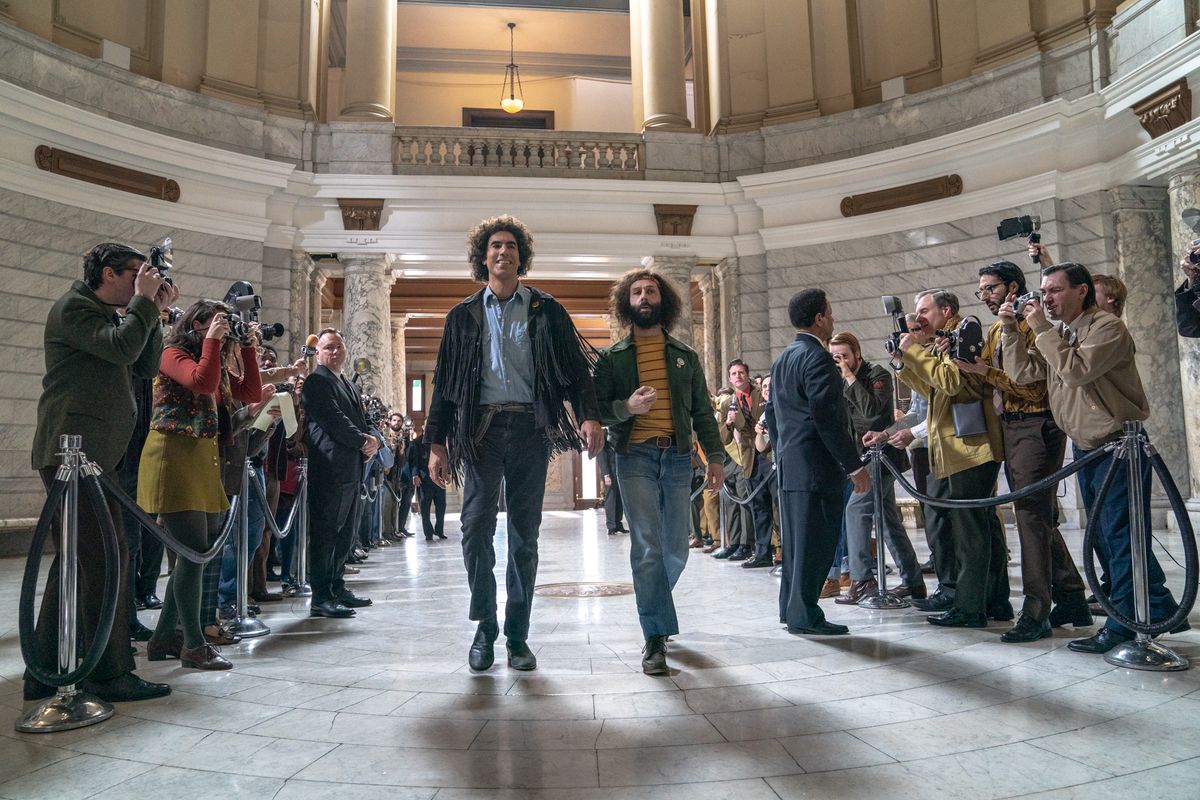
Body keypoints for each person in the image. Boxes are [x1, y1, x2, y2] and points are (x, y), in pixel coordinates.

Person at [425, 215, 602, 672]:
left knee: (525, 536)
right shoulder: (462, 316)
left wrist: (588, 415)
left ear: (521, 256)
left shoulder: (548, 310)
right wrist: (436, 442)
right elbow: (444, 386)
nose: (502, 252)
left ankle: (517, 636)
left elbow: (575, 373)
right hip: (479, 433)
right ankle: (485, 627)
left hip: (530, 430)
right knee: (474, 529)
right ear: (482, 257)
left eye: (510, 246)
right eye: (494, 246)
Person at [1000, 262, 1182, 654]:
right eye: (1043, 292)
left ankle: (1123, 627)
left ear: (1081, 291)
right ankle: (1159, 605)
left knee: (1118, 538)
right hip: (1087, 448)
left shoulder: (1107, 327)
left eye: (1054, 291)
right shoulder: (1061, 332)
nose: (1045, 299)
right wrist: (1014, 331)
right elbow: (1022, 373)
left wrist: (1042, 330)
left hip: (1118, 446)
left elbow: (1077, 371)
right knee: (1105, 536)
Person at [27, 242, 175, 702]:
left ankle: (44, 670)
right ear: (109, 274)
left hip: (96, 458)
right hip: (74, 457)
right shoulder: (75, 308)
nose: (142, 281)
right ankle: (108, 674)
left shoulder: (112, 313)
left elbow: (145, 364)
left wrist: (152, 312)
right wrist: (143, 306)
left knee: (78, 563)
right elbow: (119, 348)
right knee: (106, 561)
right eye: (136, 274)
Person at [592, 269, 723, 674]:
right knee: (647, 546)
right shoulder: (612, 358)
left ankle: (656, 609)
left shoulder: (684, 355)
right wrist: (626, 409)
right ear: (626, 303)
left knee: (676, 549)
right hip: (635, 458)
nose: (644, 297)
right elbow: (597, 411)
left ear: (662, 300)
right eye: (636, 292)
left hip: (679, 457)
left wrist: (715, 455)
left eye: (650, 291)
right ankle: (655, 637)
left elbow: (702, 410)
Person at [955, 259, 1091, 642]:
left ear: (1013, 287)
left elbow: (1035, 388)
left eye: (992, 288)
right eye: (980, 289)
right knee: (1037, 516)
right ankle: (1072, 597)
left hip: (1037, 424)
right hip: (1012, 427)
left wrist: (985, 373)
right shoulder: (998, 328)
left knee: (1030, 517)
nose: (985, 295)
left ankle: (1035, 611)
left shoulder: (1033, 325)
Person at [869, 289, 1008, 628]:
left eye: (924, 310)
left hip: (970, 448)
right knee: (979, 529)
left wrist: (915, 349)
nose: (918, 318)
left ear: (945, 311)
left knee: (971, 533)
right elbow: (930, 390)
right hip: (957, 448)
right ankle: (994, 602)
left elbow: (950, 382)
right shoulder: (946, 338)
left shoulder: (965, 331)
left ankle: (971, 607)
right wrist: (904, 361)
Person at [139, 300, 265, 670]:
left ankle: (164, 638)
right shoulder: (170, 353)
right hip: (173, 456)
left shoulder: (215, 360)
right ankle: (193, 644)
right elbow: (201, 382)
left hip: (202, 457)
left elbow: (251, 392)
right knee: (192, 552)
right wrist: (212, 340)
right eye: (218, 323)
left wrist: (247, 348)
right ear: (196, 324)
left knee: (195, 554)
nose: (224, 331)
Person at [768, 289, 869, 636]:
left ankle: (791, 609)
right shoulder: (817, 358)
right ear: (819, 319)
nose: (833, 318)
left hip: (791, 465)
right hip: (815, 468)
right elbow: (827, 419)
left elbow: (772, 414)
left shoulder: (784, 358)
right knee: (815, 544)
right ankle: (806, 615)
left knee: (796, 544)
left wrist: (783, 454)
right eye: (830, 313)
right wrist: (854, 467)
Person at [829, 332, 924, 603]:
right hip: (860, 457)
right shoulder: (837, 380)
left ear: (857, 354)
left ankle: (861, 579)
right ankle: (913, 581)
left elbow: (871, 413)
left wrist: (849, 377)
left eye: (844, 356)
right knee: (888, 521)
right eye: (835, 357)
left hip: (882, 457)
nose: (840, 362)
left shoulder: (877, 375)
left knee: (856, 509)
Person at [302, 328, 377, 618]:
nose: (334, 352)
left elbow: (363, 417)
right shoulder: (316, 382)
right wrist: (362, 441)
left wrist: (375, 438)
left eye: (339, 347)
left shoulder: (347, 382)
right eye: (328, 347)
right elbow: (334, 420)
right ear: (318, 353)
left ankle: (336, 586)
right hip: (330, 467)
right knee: (325, 534)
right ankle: (321, 597)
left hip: (351, 468)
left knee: (344, 534)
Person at [713, 360, 767, 562]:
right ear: (729, 378)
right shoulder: (728, 403)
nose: (738, 376)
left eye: (741, 372)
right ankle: (760, 552)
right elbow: (723, 438)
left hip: (767, 452)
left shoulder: (761, 392)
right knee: (758, 506)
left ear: (747, 374)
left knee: (774, 505)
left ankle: (776, 548)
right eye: (734, 373)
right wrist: (728, 422)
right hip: (748, 457)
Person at [410, 421, 447, 540]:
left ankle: (440, 530)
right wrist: (415, 475)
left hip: (439, 479)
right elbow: (414, 461)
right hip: (424, 479)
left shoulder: (439, 442)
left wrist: (449, 472)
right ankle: (428, 533)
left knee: (441, 506)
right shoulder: (416, 442)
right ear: (423, 426)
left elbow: (445, 457)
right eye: (427, 424)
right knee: (425, 508)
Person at [596, 440, 627, 536]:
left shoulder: (618, 435)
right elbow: (601, 456)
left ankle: (618, 524)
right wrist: (606, 475)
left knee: (620, 500)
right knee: (610, 500)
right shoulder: (603, 435)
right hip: (610, 474)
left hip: (620, 472)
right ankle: (611, 526)